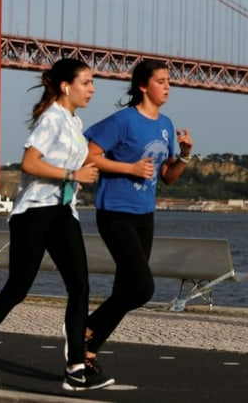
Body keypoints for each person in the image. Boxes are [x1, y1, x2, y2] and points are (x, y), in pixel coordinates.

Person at [0, 58, 114, 392]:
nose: (92, 88)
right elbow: (29, 163)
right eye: (86, 82)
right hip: (34, 214)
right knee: (18, 289)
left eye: (92, 82)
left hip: (63, 213)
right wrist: (73, 174)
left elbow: (76, 162)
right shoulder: (51, 119)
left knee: (80, 287)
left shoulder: (75, 121)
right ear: (65, 86)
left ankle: (75, 368)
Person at [80, 58, 193, 375]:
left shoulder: (166, 124)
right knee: (142, 288)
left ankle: (87, 351)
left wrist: (185, 155)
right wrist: (129, 168)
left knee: (124, 291)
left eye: (169, 81)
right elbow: (90, 155)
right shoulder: (123, 121)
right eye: (161, 80)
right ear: (143, 86)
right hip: (115, 212)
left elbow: (169, 176)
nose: (167, 85)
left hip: (145, 215)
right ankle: (84, 330)